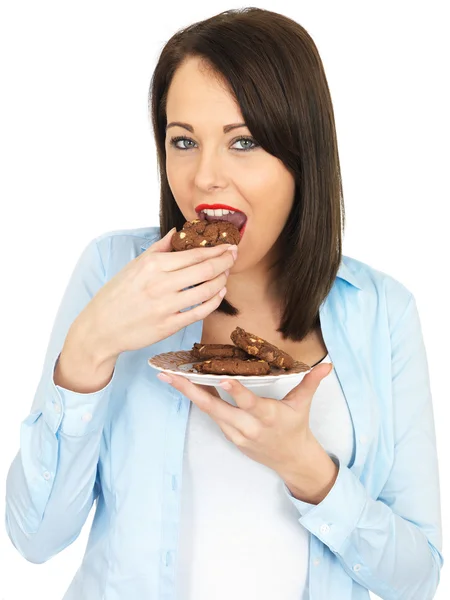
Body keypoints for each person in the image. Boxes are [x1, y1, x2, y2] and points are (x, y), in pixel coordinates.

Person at [4, 7, 443, 600]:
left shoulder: (381, 310)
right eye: (183, 140)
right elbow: (35, 540)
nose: (204, 176)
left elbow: (416, 579)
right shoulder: (114, 270)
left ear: (300, 154)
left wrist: (306, 468)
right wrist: (88, 349)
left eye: (244, 142)